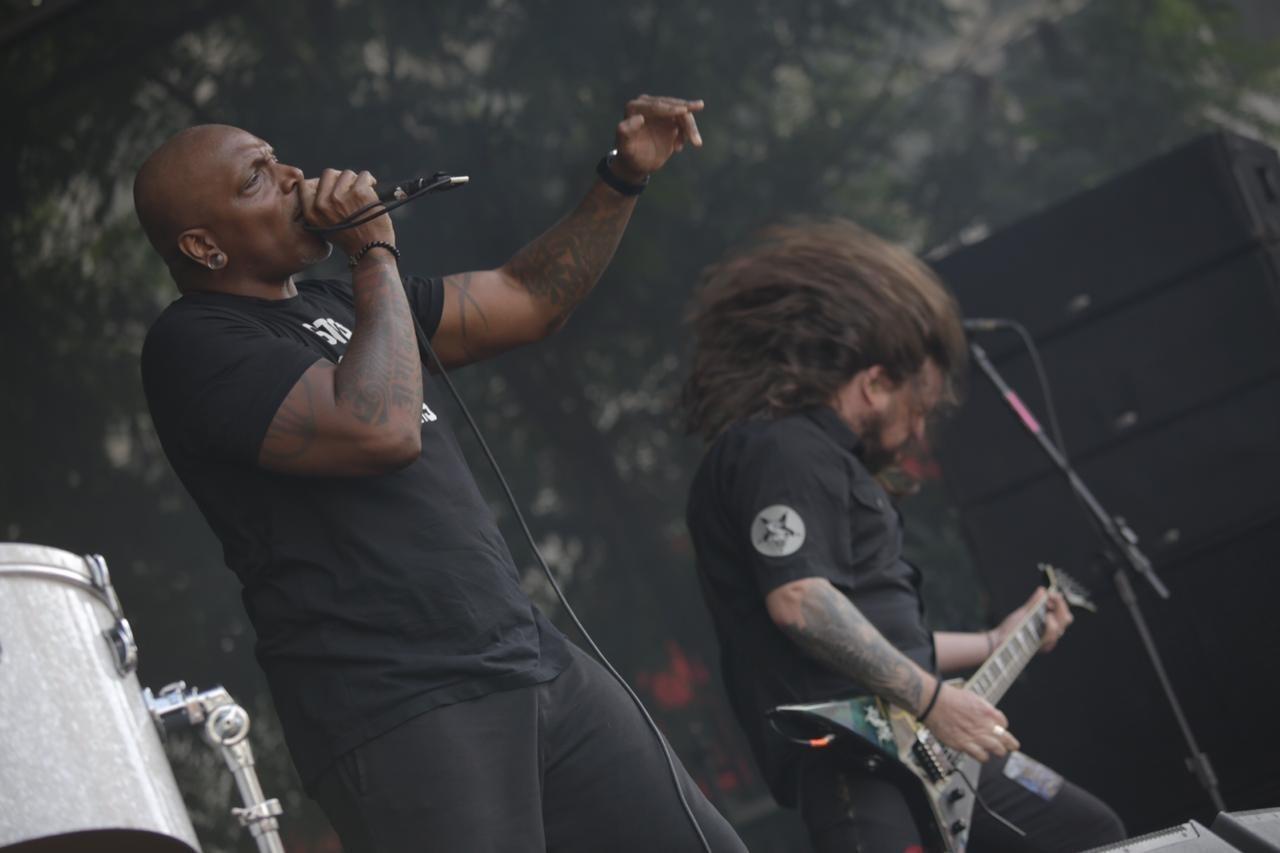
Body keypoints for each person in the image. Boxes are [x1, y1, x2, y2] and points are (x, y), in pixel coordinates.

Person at [134, 95, 746, 853]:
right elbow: (376, 428)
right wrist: (374, 254)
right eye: (257, 178)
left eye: (278, 156)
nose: (294, 176)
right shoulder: (193, 343)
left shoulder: (344, 300)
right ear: (202, 246)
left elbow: (528, 300)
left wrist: (622, 177)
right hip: (401, 703)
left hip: (529, 656)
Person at [681, 220, 1125, 852]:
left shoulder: (830, 462)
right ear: (874, 382)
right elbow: (803, 602)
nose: (919, 434)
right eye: (918, 410)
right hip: (854, 755)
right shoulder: (781, 452)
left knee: (1084, 831)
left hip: (924, 741)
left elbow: (877, 640)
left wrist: (997, 641)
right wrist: (937, 699)